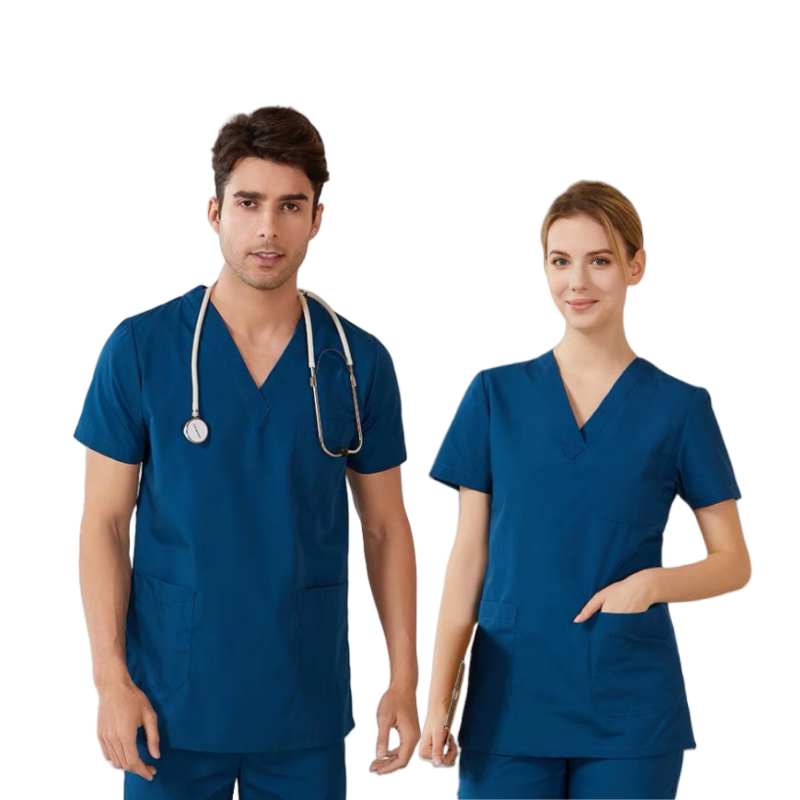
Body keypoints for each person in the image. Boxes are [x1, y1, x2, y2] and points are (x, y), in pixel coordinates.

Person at [75, 106, 421, 800]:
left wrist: (404, 680)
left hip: (302, 703)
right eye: (248, 202)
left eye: (291, 206)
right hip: (167, 704)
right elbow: (104, 523)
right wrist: (111, 681)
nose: (268, 228)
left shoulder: (357, 362)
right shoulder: (142, 350)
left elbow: (385, 528)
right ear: (214, 212)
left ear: (317, 219)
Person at [417, 180, 751, 799]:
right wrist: (440, 698)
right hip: (510, 699)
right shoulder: (494, 397)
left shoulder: (680, 409)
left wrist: (650, 585)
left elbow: (733, 561)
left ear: (635, 266)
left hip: (630, 705)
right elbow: (468, 559)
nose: (577, 282)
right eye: (560, 261)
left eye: (599, 260)